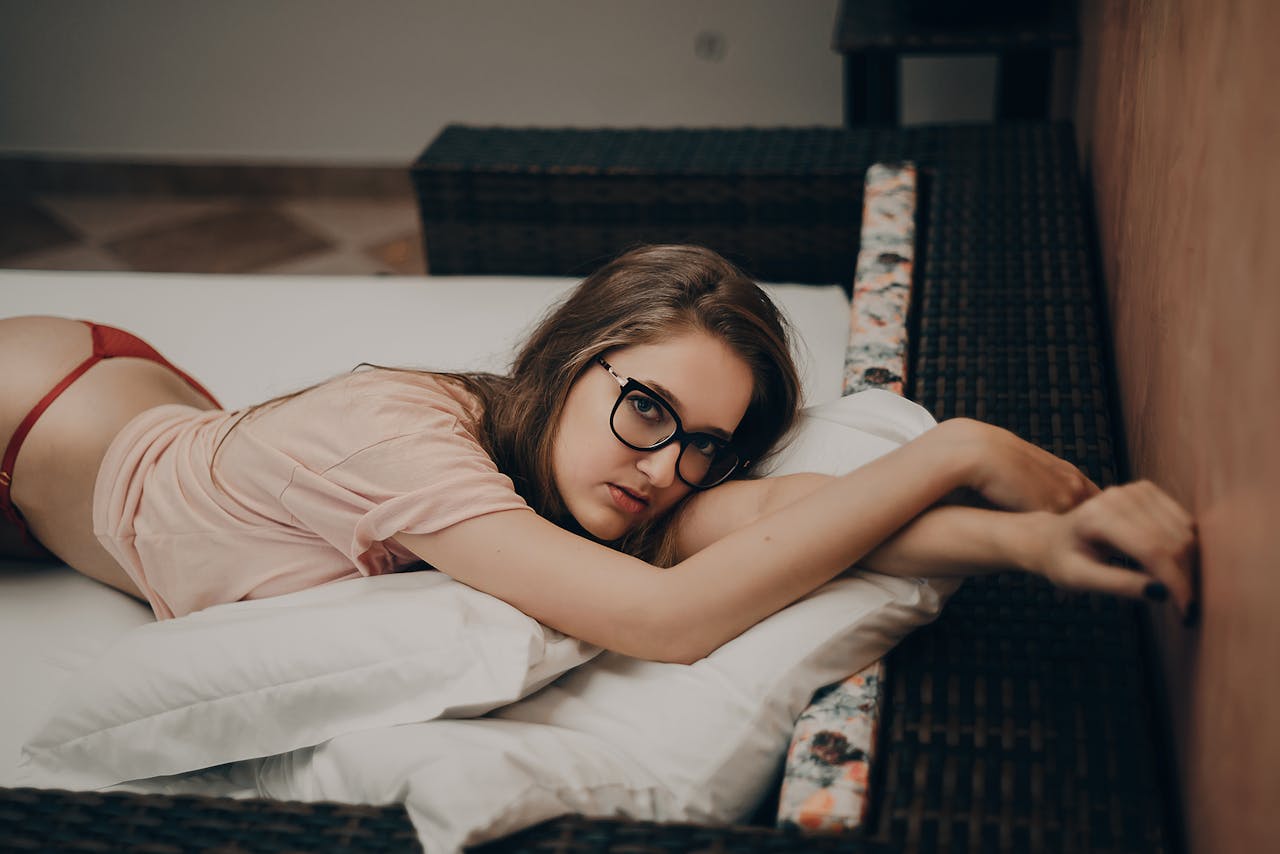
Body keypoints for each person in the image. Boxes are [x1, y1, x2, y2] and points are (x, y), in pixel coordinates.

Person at [0, 245, 1198, 662]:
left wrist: (1029, 539)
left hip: (148, 405)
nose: (663, 468)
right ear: (575, 358)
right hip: (32, 408)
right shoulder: (406, 445)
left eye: (703, 445)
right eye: (645, 409)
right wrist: (957, 448)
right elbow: (667, 619)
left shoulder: (605, 466)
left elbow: (769, 520)